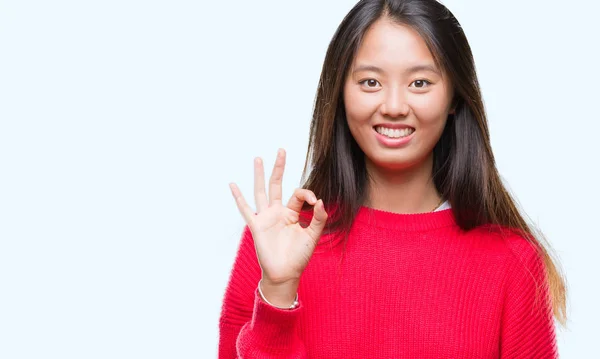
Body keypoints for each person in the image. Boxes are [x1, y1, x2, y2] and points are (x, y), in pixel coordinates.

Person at [219, 0, 567, 357]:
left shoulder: (513, 261)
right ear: (340, 93)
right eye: (370, 82)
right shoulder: (278, 243)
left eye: (420, 82)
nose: (394, 106)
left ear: (454, 97)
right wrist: (278, 292)